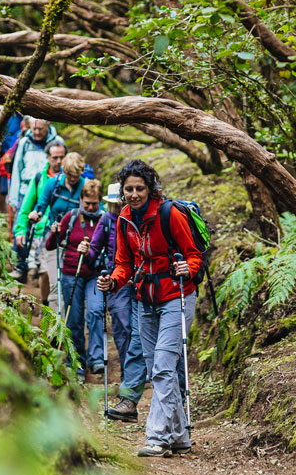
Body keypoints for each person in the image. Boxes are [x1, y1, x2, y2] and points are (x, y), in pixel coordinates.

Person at [97, 160, 202, 458]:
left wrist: (186, 267)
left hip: (176, 297)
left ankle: (157, 437)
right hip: (145, 301)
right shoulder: (124, 219)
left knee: (163, 368)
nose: (133, 194)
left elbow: (194, 255)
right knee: (159, 366)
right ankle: (180, 436)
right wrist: (112, 282)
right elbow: (124, 264)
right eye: (128, 189)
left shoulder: (169, 214)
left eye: (139, 188)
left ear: (150, 188)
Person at [83, 182, 145, 422]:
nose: (119, 206)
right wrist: (85, 251)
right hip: (117, 282)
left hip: (139, 280)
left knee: (137, 329)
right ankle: (129, 375)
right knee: (121, 327)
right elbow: (95, 250)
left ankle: (136, 376)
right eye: (116, 203)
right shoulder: (108, 220)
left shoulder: (137, 218)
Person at [46, 178, 104, 379]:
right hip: (72, 273)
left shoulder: (104, 220)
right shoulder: (71, 217)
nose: (90, 207)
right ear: (80, 200)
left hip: (95, 274)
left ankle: (97, 358)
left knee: (96, 312)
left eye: (94, 204)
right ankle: (77, 360)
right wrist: (54, 233)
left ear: (100, 202)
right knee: (74, 319)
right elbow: (50, 246)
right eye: (87, 203)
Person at [30, 152, 86, 314]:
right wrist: (36, 213)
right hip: (54, 238)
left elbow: (95, 209)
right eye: (69, 175)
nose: (72, 178)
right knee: (54, 282)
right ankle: (54, 327)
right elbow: (41, 205)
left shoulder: (85, 186)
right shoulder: (53, 184)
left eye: (76, 175)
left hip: (75, 242)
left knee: (70, 285)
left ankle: (69, 323)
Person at [11, 139, 66, 282]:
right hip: (38, 232)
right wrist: (20, 231)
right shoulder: (39, 178)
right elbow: (25, 208)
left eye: (62, 157)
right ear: (48, 157)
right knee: (45, 271)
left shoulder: (71, 180)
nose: (59, 161)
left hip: (60, 231)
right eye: (55, 157)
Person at [8, 118, 59, 212]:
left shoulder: (57, 142)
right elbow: (17, 170)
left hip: (48, 193)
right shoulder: (24, 142)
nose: (37, 132)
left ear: (48, 125)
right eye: (34, 129)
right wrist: (14, 199)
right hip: (25, 192)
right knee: (21, 223)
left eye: (40, 129)